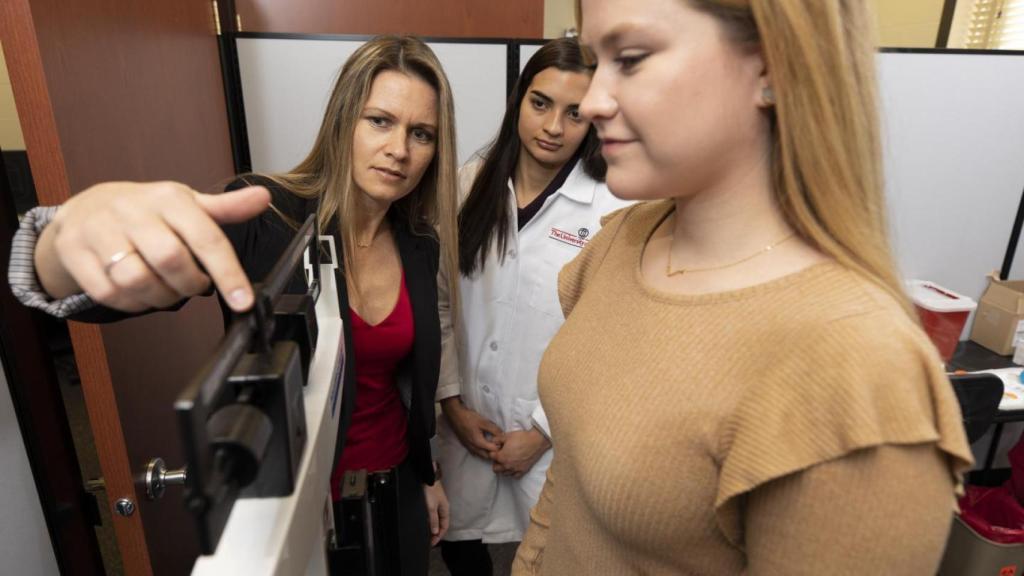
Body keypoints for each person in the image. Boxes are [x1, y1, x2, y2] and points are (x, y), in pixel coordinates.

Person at [511, 1, 974, 575]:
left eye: (630, 59)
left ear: (771, 66)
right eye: (595, 60)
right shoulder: (623, 242)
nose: (595, 100)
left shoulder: (857, 371)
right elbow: (570, 483)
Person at [10, 35, 459, 576]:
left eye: (421, 134)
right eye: (380, 121)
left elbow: (409, 384)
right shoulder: (270, 219)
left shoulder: (419, 243)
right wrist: (61, 245)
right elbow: (87, 294)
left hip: (398, 490)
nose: (400, 150)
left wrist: (426, 474)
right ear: (344, 121)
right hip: (303, 504)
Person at [435, 38, 630, 576]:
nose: (552, 127)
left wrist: (543, 431)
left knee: (545, 556)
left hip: (551, 441)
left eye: (574, 113)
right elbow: (442, 306)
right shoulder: (468, 186)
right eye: (540, 104)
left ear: (592, 120)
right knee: (461, 546)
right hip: (465, 427)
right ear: (518, 100)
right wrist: (453, 405)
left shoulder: (613, 208)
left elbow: (609, 337)